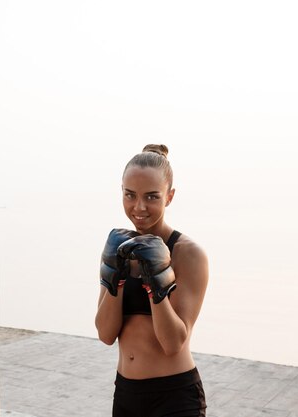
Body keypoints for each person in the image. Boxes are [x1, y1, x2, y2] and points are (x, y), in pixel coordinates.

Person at [95, 144, 208, 417]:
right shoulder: (117, 247)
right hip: (126, 395)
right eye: (130, 195)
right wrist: (116, 277)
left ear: (169, 197)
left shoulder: (188, 254)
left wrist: (155, 282)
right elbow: (106, 333)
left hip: (174, 398)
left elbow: (172, 343)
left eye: (152, 197)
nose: (139, 207)